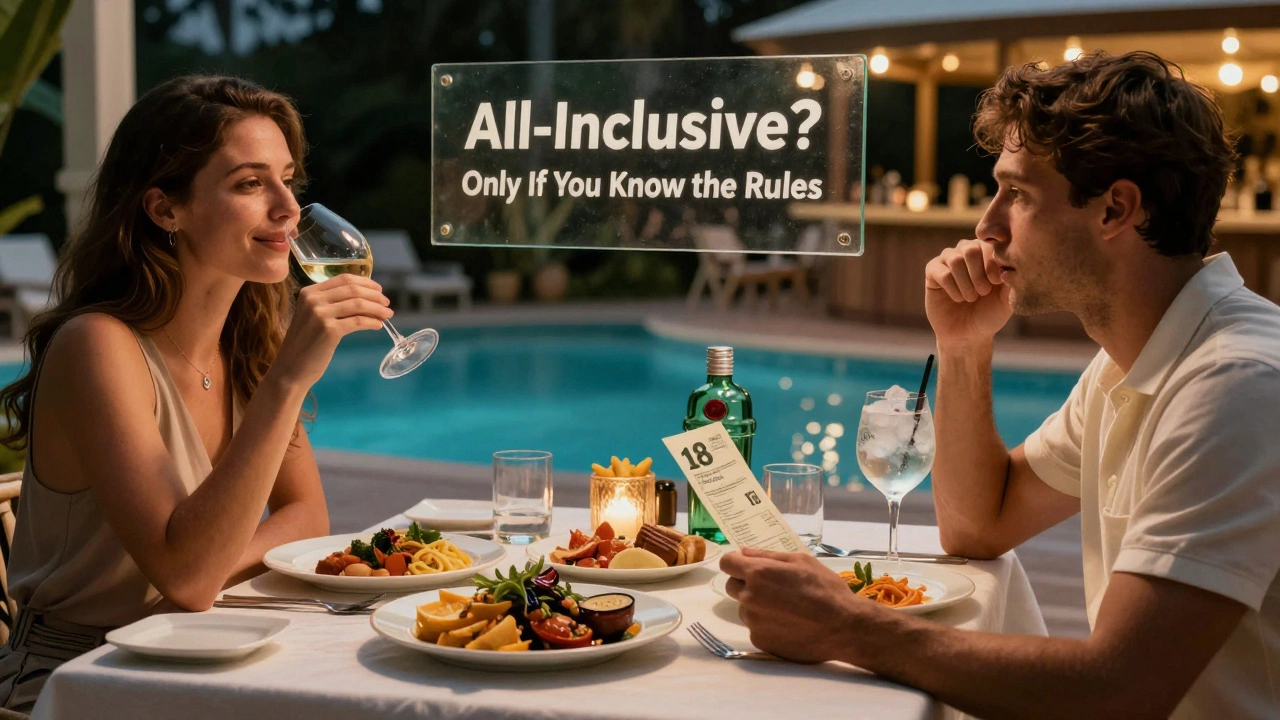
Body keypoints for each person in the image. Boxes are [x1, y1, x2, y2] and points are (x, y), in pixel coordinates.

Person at [722, 50, 1280, 719]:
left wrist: (845, 626)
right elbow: (978, 525)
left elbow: (1122, 689)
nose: (986, 227)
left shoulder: (1234, 384)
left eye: (1017, 194)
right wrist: (963, 347)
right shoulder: (1131, 365)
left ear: (1116, 210)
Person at [0, 75, 393, 711]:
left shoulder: (246, 344)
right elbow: (188, 578)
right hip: (80, 678)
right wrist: (289, 380)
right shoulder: (97, 347)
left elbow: (307, 520)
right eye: (249, 183)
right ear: (165, 209)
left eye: (287, 179)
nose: (288, 209)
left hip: (205, 654)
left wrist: (209, 554)